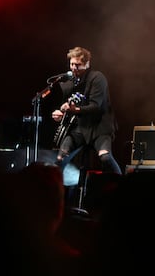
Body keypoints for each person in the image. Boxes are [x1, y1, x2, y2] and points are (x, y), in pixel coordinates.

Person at [51, 46, 122, 185]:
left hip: (99, 126)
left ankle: (121, 186)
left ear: (87, 64)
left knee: (105, 157)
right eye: (72, 64)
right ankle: (55, 193)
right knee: (60, 159)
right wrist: (60, 112)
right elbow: (65, 105)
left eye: (78, 65)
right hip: (80, 128)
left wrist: (73, 109)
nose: (74, 68)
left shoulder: (97, 78)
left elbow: (96, 106)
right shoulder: (68, 82)